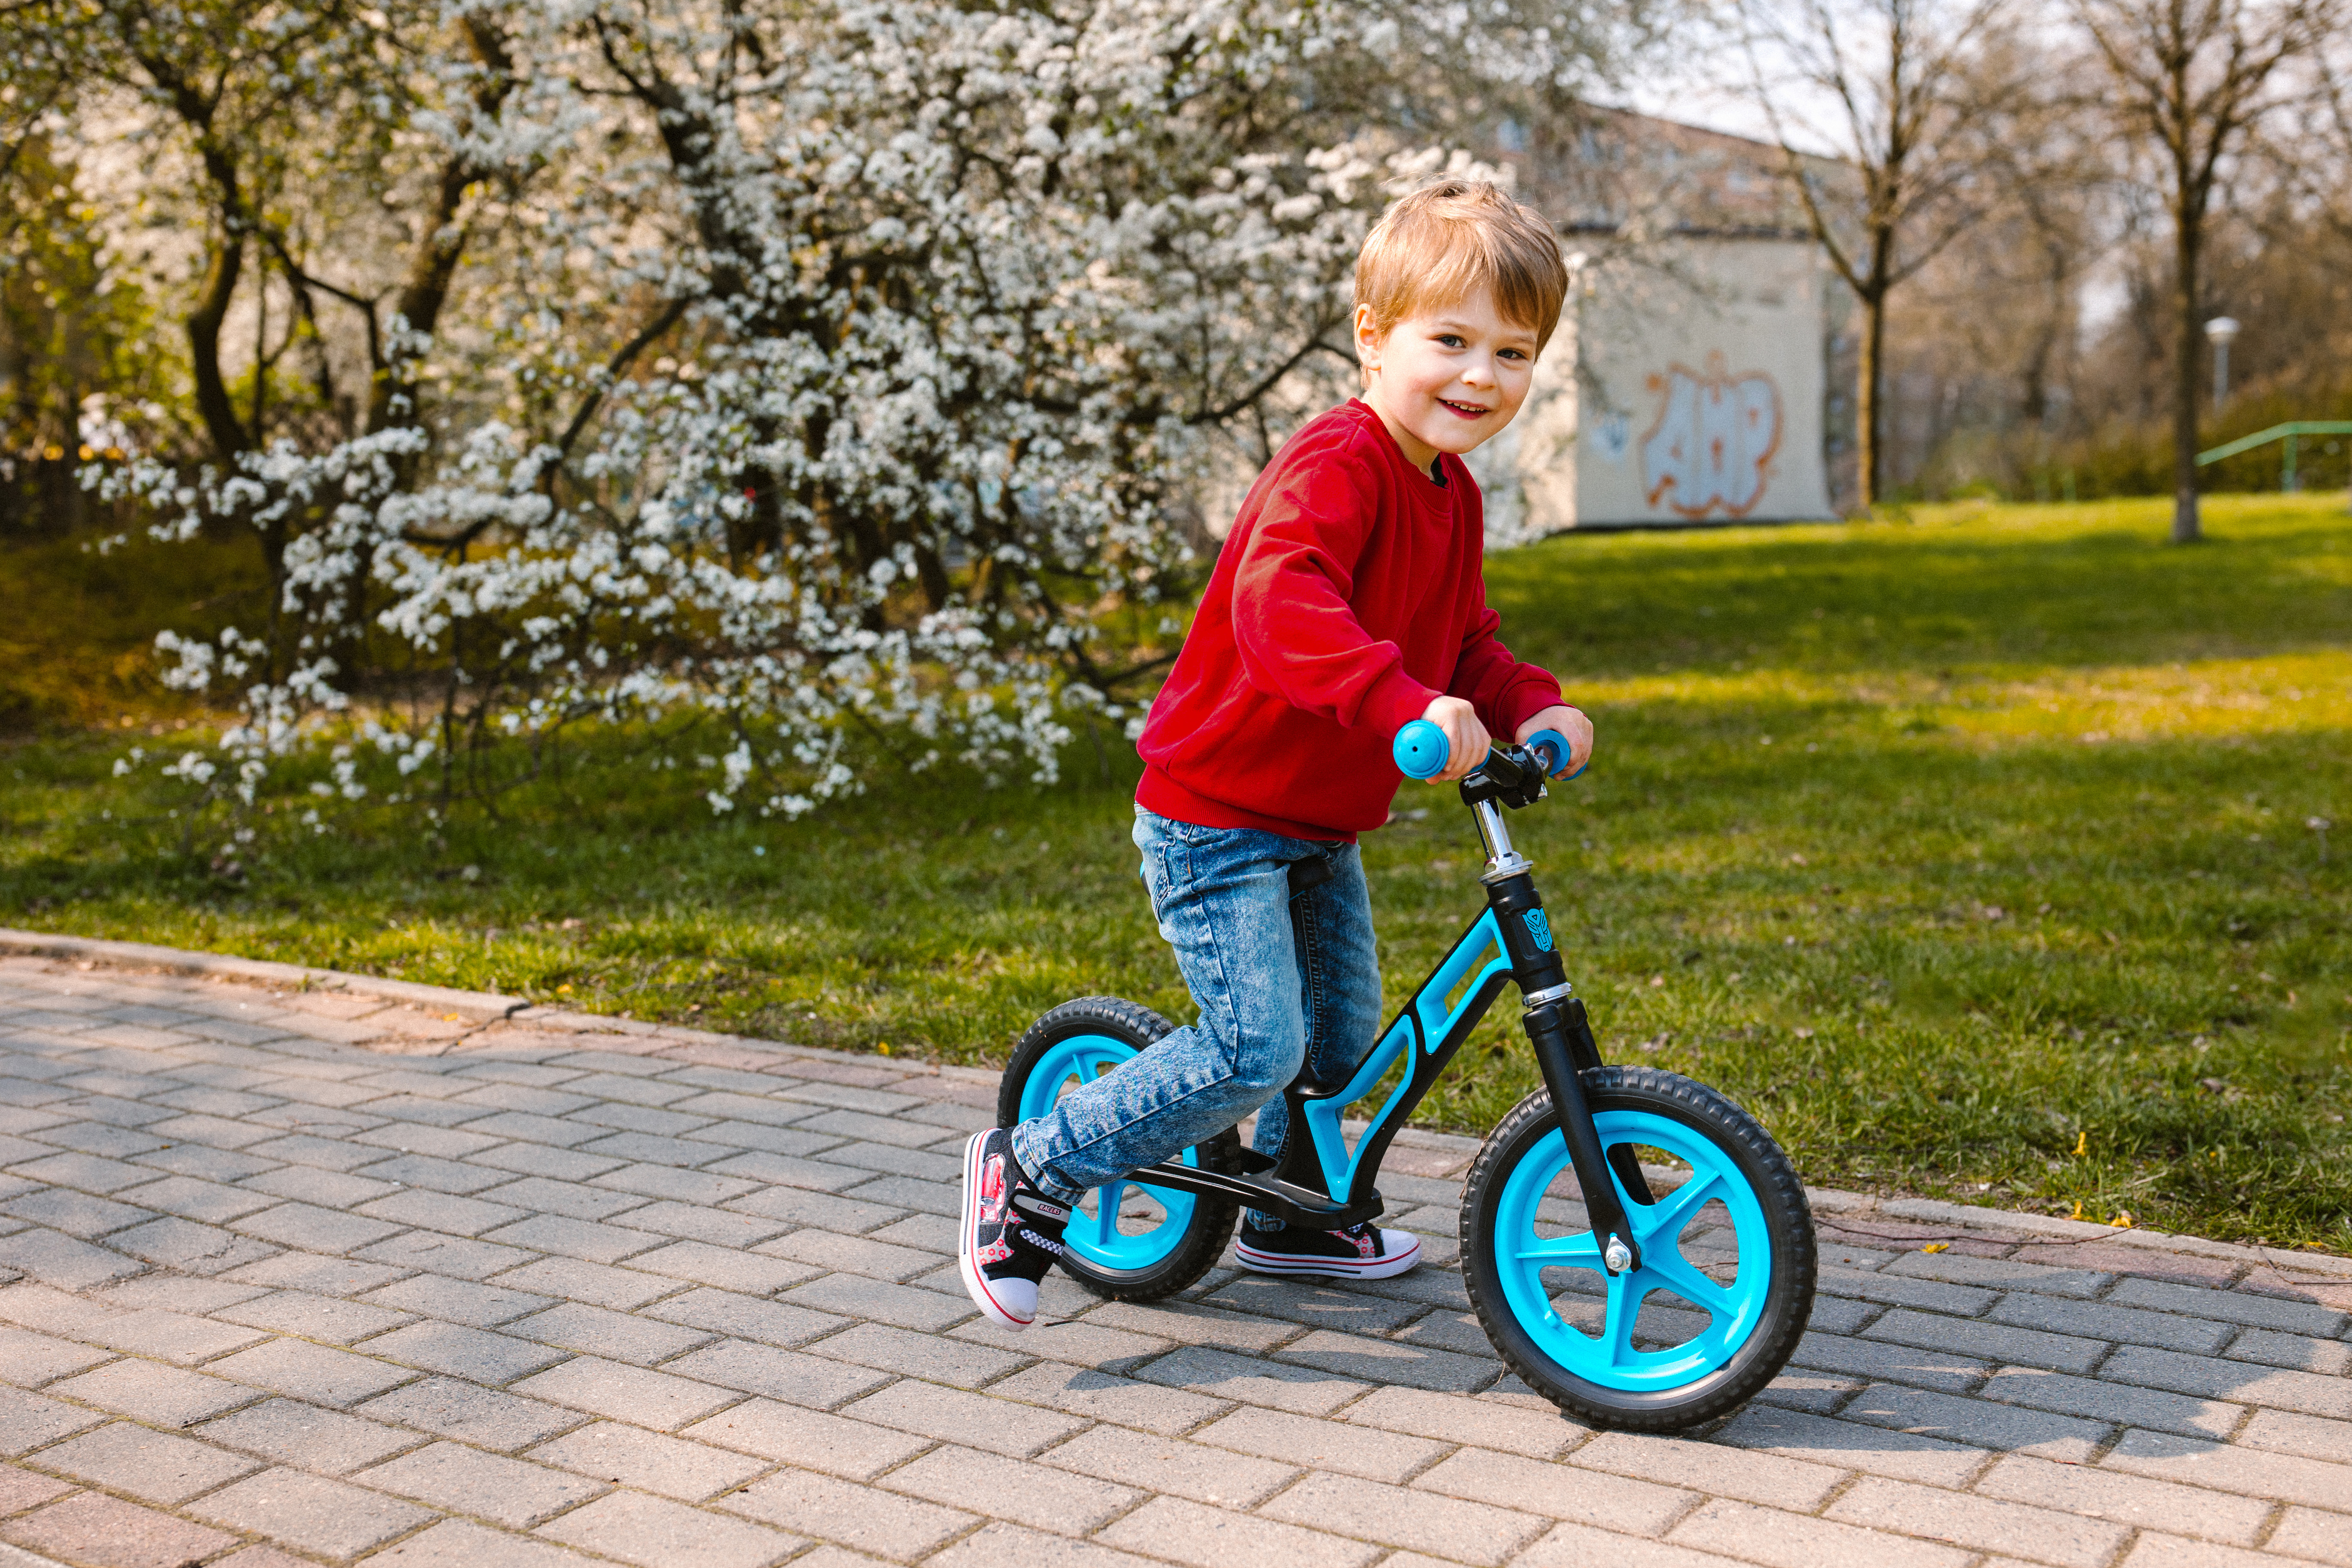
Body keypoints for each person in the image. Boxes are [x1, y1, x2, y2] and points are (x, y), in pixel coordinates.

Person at [959, 179, 1596, 1329]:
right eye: (1449, 341)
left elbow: (1465, 640)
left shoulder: (1450, 494)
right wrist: (1398, 700)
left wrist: (1533, 710)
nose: (1480, 377)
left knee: (1341, 1049)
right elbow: (1282, 605)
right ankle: (1039, 1166)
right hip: (1218, 809)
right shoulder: (1337, 464)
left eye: (1513, 353)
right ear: (1373, 336)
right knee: (1257, 1048)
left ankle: (1293, 1213)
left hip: (1318, 821)